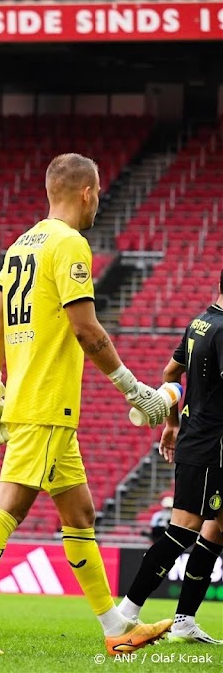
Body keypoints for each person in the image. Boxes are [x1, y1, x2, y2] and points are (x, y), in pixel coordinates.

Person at [0, 153, 174, 655]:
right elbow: (86, 328)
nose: (100, 200)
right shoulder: (70, 244)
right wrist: (135, 390)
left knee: (80, 513)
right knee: (9, 506)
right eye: (99, 192)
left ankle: (114, 629)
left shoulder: (23, 243)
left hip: (31, 397)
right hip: (47, 400)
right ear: (86, 192)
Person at [116, 276, 223, 645]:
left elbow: (169, 374)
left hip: (199, 440)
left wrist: (172, 425)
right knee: (182, 531)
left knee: (217, 530)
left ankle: (184, 620)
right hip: (212, 447)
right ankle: (126, 612)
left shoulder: (200, 322)